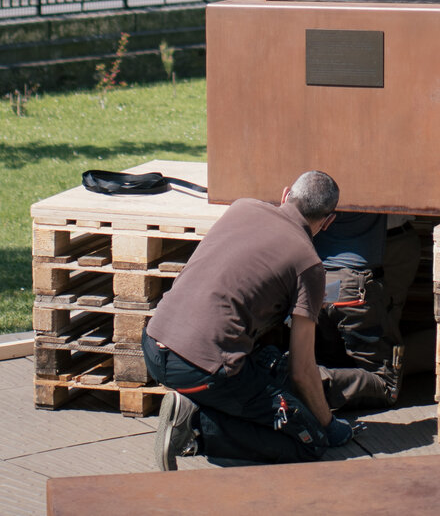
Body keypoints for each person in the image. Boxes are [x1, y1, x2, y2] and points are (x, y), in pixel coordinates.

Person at [145, 171, 355, 468]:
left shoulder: (242, 206)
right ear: (328, 220)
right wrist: (328, 425)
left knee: (269, 363)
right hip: (200, 371)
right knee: (309, 441)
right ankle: (194, 426)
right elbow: (302, 369)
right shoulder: (309, 265)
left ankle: (199, 406)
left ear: (285, 195)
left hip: (154, 345)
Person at [309, 211, 416, 410]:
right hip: (352, 287)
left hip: (318, 283)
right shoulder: (370, 192)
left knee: (332, 358)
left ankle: (304, 376)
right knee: (388, 386)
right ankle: (304, 383)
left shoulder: (317, 196)